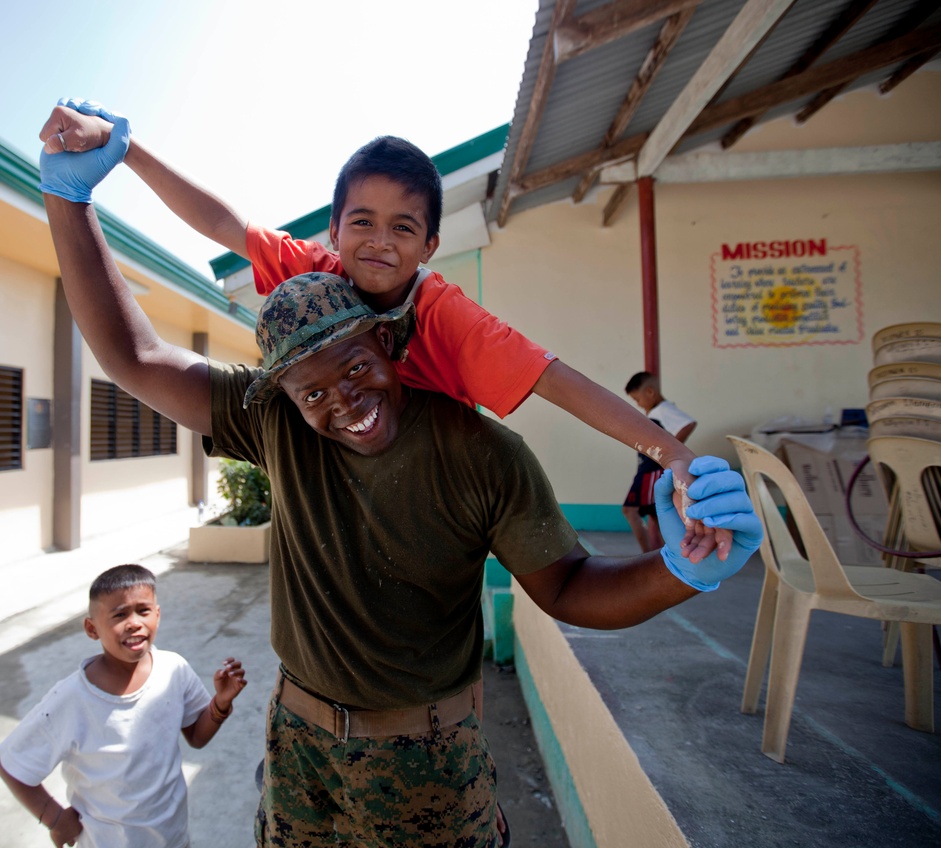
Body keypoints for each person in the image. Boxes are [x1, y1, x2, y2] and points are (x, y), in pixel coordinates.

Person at [36, 113, 763, 847]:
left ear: (390, 339)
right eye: (311, 389)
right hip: (298, 757)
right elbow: (137, 351)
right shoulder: (282, 409)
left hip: (430, 771)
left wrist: (679, 552)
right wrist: (75, 193)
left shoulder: (475, 429)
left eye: (355, 369)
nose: (341, 401)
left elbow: (566, 556)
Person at [37, 98, 737, 564]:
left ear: (431, 244)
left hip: (425, 474)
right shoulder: (314, 274)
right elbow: (224, 224)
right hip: (342, 465)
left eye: (403, 227)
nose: (379, 241)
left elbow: (558, 381)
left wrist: (666, 453)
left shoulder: (448, 317)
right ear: (334, 229)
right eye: (361, 222)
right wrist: (127, 150)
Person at [0, 564, 247, 848]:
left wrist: (220, 703)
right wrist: (55, 819)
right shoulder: (71, 699)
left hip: (174, 839)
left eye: (143, 611)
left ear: (158, 614)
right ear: (92, 629)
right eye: (119, 614)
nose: (134, 623)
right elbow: (11, 762)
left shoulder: (173, 669)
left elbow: (197, 737)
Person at [622, 371, 697, 552]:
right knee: (657, 513)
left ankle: (648, 554)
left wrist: (671, 451)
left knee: (630, 510)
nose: (638, 404)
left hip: (651, 470)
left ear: (650, 392)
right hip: (647, 469)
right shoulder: (656, 411)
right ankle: (667, 553)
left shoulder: (663, 410)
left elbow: (688, 423)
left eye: (637, 399)